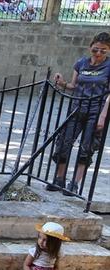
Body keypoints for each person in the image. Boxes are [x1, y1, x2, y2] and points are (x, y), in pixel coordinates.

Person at [47, 32, 110, 196]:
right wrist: (61, 83)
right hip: (76, 108)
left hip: (96, 111)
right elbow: (74, 86)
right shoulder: (81, 63)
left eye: (103, 51)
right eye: (95, 49)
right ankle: (59, 179)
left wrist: (103, 116)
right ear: (90, 47)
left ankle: (74, 184)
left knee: (86, 148)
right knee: (63, 144)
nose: (98, 54)